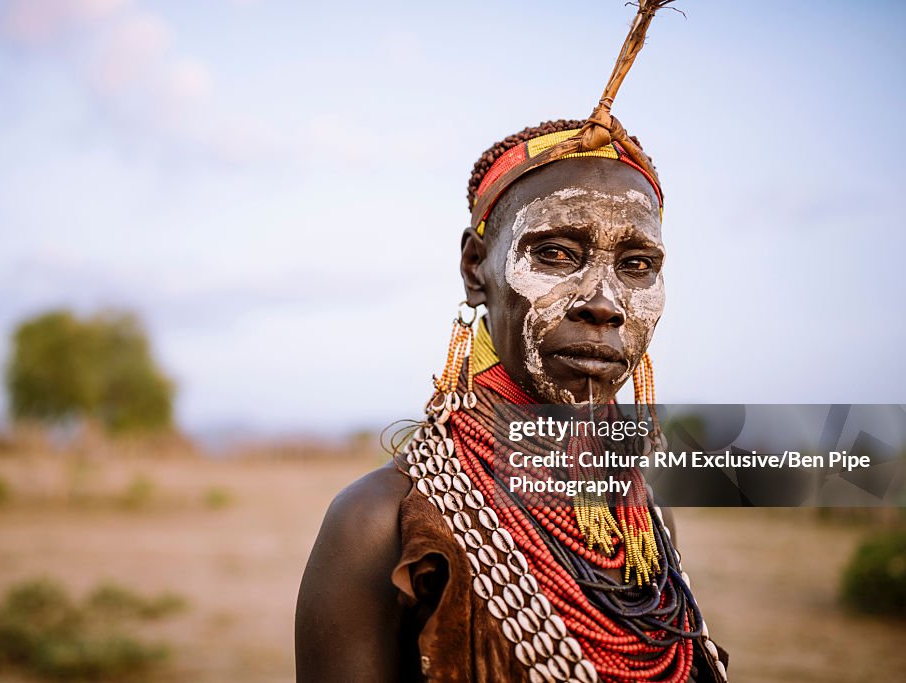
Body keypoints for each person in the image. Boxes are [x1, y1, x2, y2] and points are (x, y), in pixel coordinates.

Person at [296, 2, 728, 681]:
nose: (604, 303)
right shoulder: (378, 524)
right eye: (557, 253)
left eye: (637, 264)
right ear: (476, 268)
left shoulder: (642, 505)